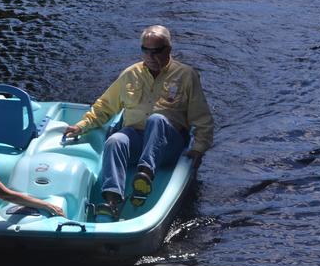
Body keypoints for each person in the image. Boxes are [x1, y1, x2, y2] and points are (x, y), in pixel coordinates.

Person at [64, 25, 214, 221]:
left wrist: (199, 148)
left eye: (156, 51)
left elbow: (202, 117)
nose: (151, 56)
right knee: (115, 140)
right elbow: (105, 107)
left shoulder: (186, 75)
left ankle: (145, 174)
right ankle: (112, 201)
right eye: (145, 50)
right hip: (136, 138)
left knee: (157, 119)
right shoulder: (130, 74)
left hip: (168, 145)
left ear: (169, 49)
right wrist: (81, 126)